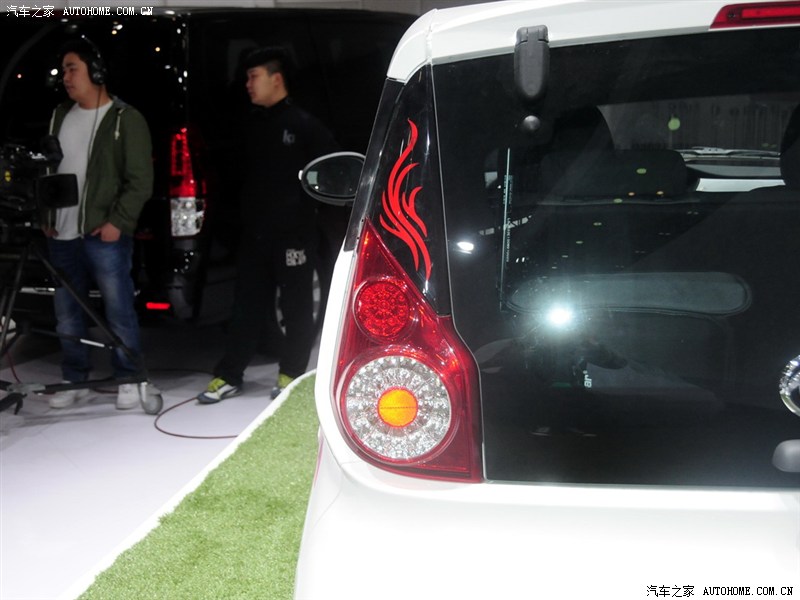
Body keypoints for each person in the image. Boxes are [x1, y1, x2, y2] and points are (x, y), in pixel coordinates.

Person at [198, 47, 339, 404]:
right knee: (245, 306)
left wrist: (308, 210)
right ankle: (230, 374)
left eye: (253, 76)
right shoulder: (249, 125)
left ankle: (291, 374)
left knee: (296, 306)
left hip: (294, 235)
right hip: (255, 235)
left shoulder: (304, 125)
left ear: (276, 79)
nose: (248, 83)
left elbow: (333, 171)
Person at [43, 39, 153, 409]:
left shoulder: (125, 119)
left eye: (72, 68)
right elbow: (48, 170)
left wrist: (118, 222)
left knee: (118, 309)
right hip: (61, 232)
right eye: (64, 70)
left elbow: (140, 180)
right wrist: (46, 216)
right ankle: (73, 378)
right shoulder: (60, 115)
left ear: (96, 71)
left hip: (104, 233)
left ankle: (129, 376)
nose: (66, 77)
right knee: (66, 313)